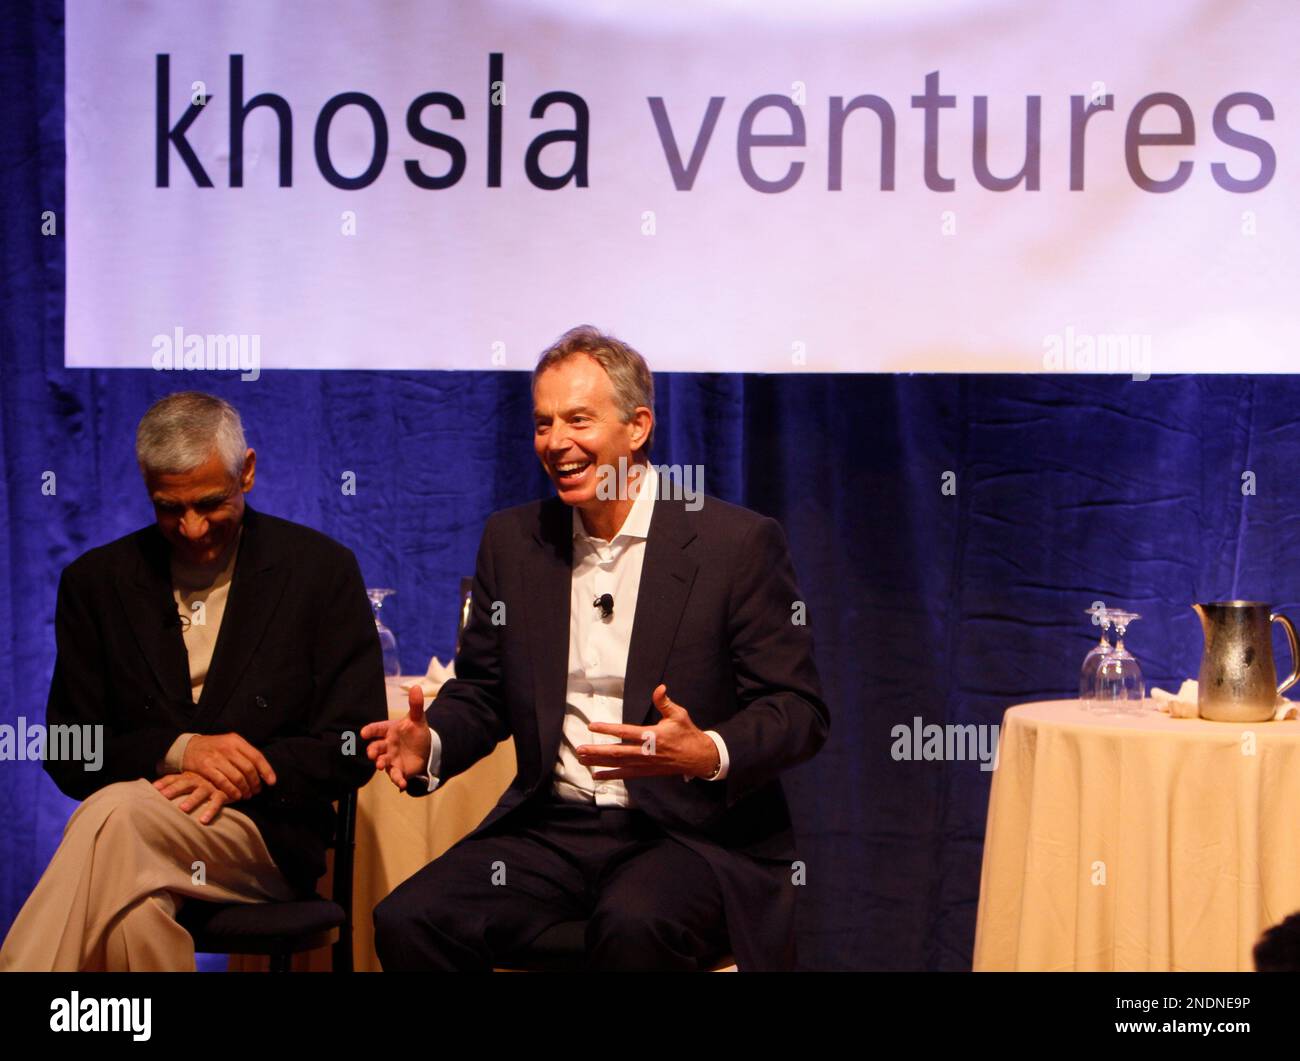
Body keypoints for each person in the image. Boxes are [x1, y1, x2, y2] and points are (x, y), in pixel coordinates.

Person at [367, 326, 828, 971]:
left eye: (578, 420)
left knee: (632, 926)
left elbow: (797, 709)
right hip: (552, 829)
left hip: (687, 836)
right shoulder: (515, 541)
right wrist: (432, 743)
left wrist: (705, 752)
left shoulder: (735, 545)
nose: (556, 443)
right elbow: (483, 692)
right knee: (410, 920)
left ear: (637, 427)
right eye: (543, 423)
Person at [0, 391, 385, 971]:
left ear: (247, 472)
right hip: (136, 834)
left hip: (265, 835)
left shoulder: (320, 571)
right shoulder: (97, 583)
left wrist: (246, 774)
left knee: (117, 815)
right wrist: (178, 752)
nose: (192, 527)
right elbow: (69, 752)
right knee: (133, 909)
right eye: (168, 508)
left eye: (210, 502)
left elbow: (354, 743)